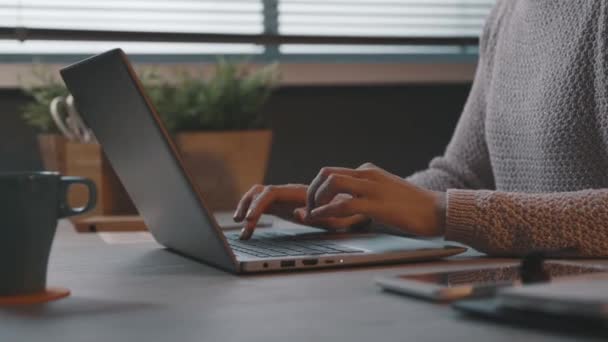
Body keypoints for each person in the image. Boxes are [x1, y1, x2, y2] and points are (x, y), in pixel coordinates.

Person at [234, 0, 608, 257]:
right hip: (528, 296)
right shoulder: (506, 14)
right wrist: (358, 205)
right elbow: (462, 176)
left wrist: (445, 213)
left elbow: (449, 203)